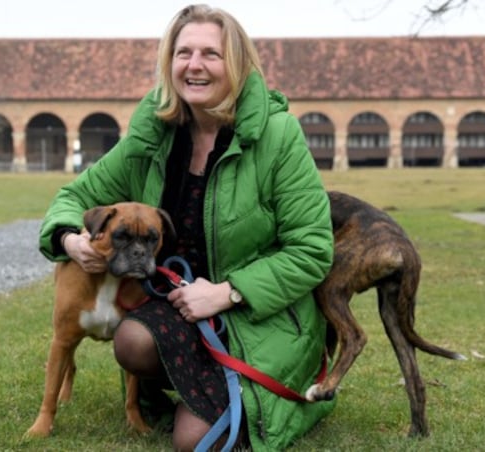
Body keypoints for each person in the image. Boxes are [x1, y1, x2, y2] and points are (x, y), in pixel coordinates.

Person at [38, 4, 335, 450]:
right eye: (183, 53)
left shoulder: (279, 135)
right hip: (180, 305)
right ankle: (187, 386)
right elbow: (73, 197)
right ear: (169, 62)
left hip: (259, 314)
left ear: (236, 63)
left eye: (211, 54)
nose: (194, 66)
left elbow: (312, 250)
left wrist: (228, 291)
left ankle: (275, 393)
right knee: (131, 339)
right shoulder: (151, 135)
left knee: (195, 441)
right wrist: (69, 237)